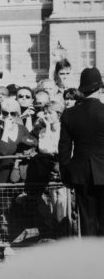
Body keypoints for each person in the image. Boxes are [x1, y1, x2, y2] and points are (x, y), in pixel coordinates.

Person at [59, 67, 104, 236]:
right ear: (100, 89)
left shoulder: (69, 114)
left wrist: (65, 174)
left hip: (81, 173)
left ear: (82, 90)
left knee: (87, 221)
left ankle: (90, 260)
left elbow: (64, 148)